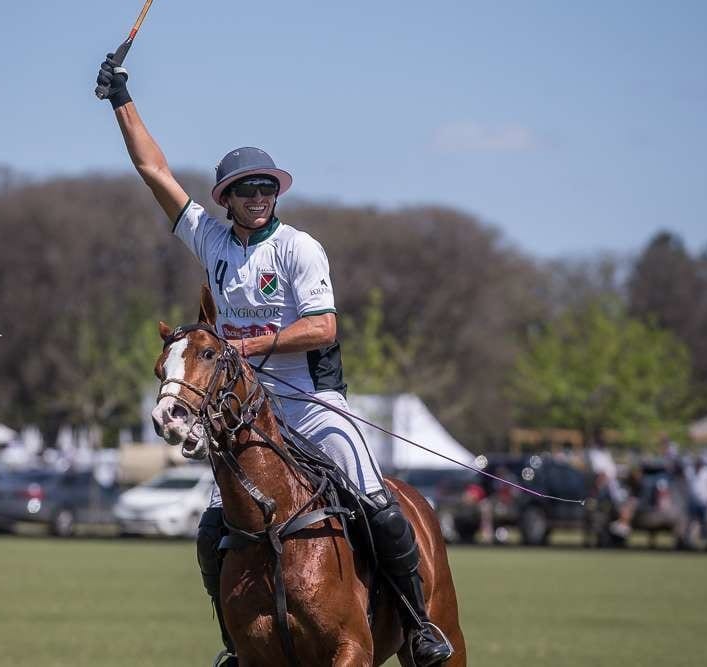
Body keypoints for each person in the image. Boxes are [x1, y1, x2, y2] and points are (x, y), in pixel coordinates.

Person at [96, 57, 453, 666]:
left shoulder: (298, 248)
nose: (257, 198)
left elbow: (324, 327)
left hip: (311, 407)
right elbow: (153, 170)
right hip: (243, 415)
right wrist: (121, 101)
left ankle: (419, 625)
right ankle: (237, 643)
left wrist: (250, 346)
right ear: (227, 199)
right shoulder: (209, 240)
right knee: (214, 529)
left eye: (266, 189)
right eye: (245, 190)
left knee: (375, 501)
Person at [684, 455, 707, 550]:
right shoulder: (690, 471)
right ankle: (688, 542)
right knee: (690, 522)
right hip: (693, 501)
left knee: (704, 523)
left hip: (704, 501)